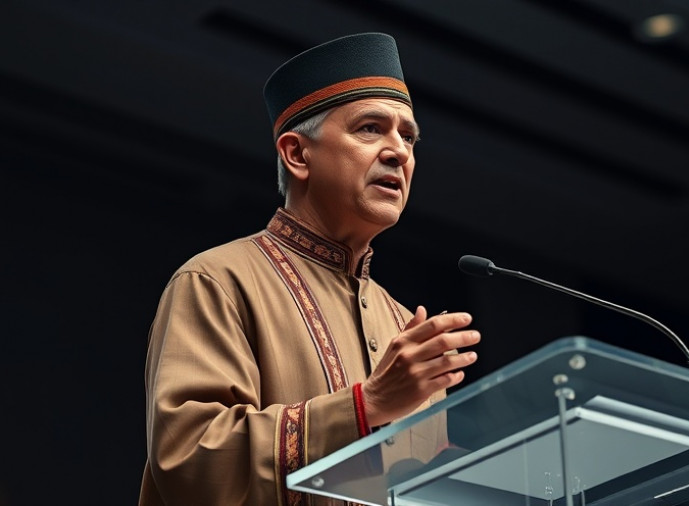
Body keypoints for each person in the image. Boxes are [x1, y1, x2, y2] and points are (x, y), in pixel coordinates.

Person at [138, 32, 481, 506]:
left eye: (408, 136)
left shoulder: (408, 329)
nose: (399, 151)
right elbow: (190, 460)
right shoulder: (218, 281)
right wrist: (365, 406)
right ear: (297, 154)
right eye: (370, 129)